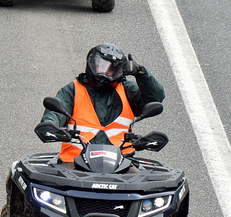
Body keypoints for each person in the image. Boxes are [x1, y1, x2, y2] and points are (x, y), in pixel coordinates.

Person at [35, 43, 165, 162]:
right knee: (46, 184)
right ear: (91, 63)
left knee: (148, 186)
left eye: (110, 69)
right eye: (100, 66)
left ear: (119, 71)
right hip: (73, 163)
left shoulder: (126, 89)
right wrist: (50, 124)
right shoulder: (73, 89)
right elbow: (55, 112)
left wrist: (141, 73)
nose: (103, 72)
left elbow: (155, 98)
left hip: (123, 163)